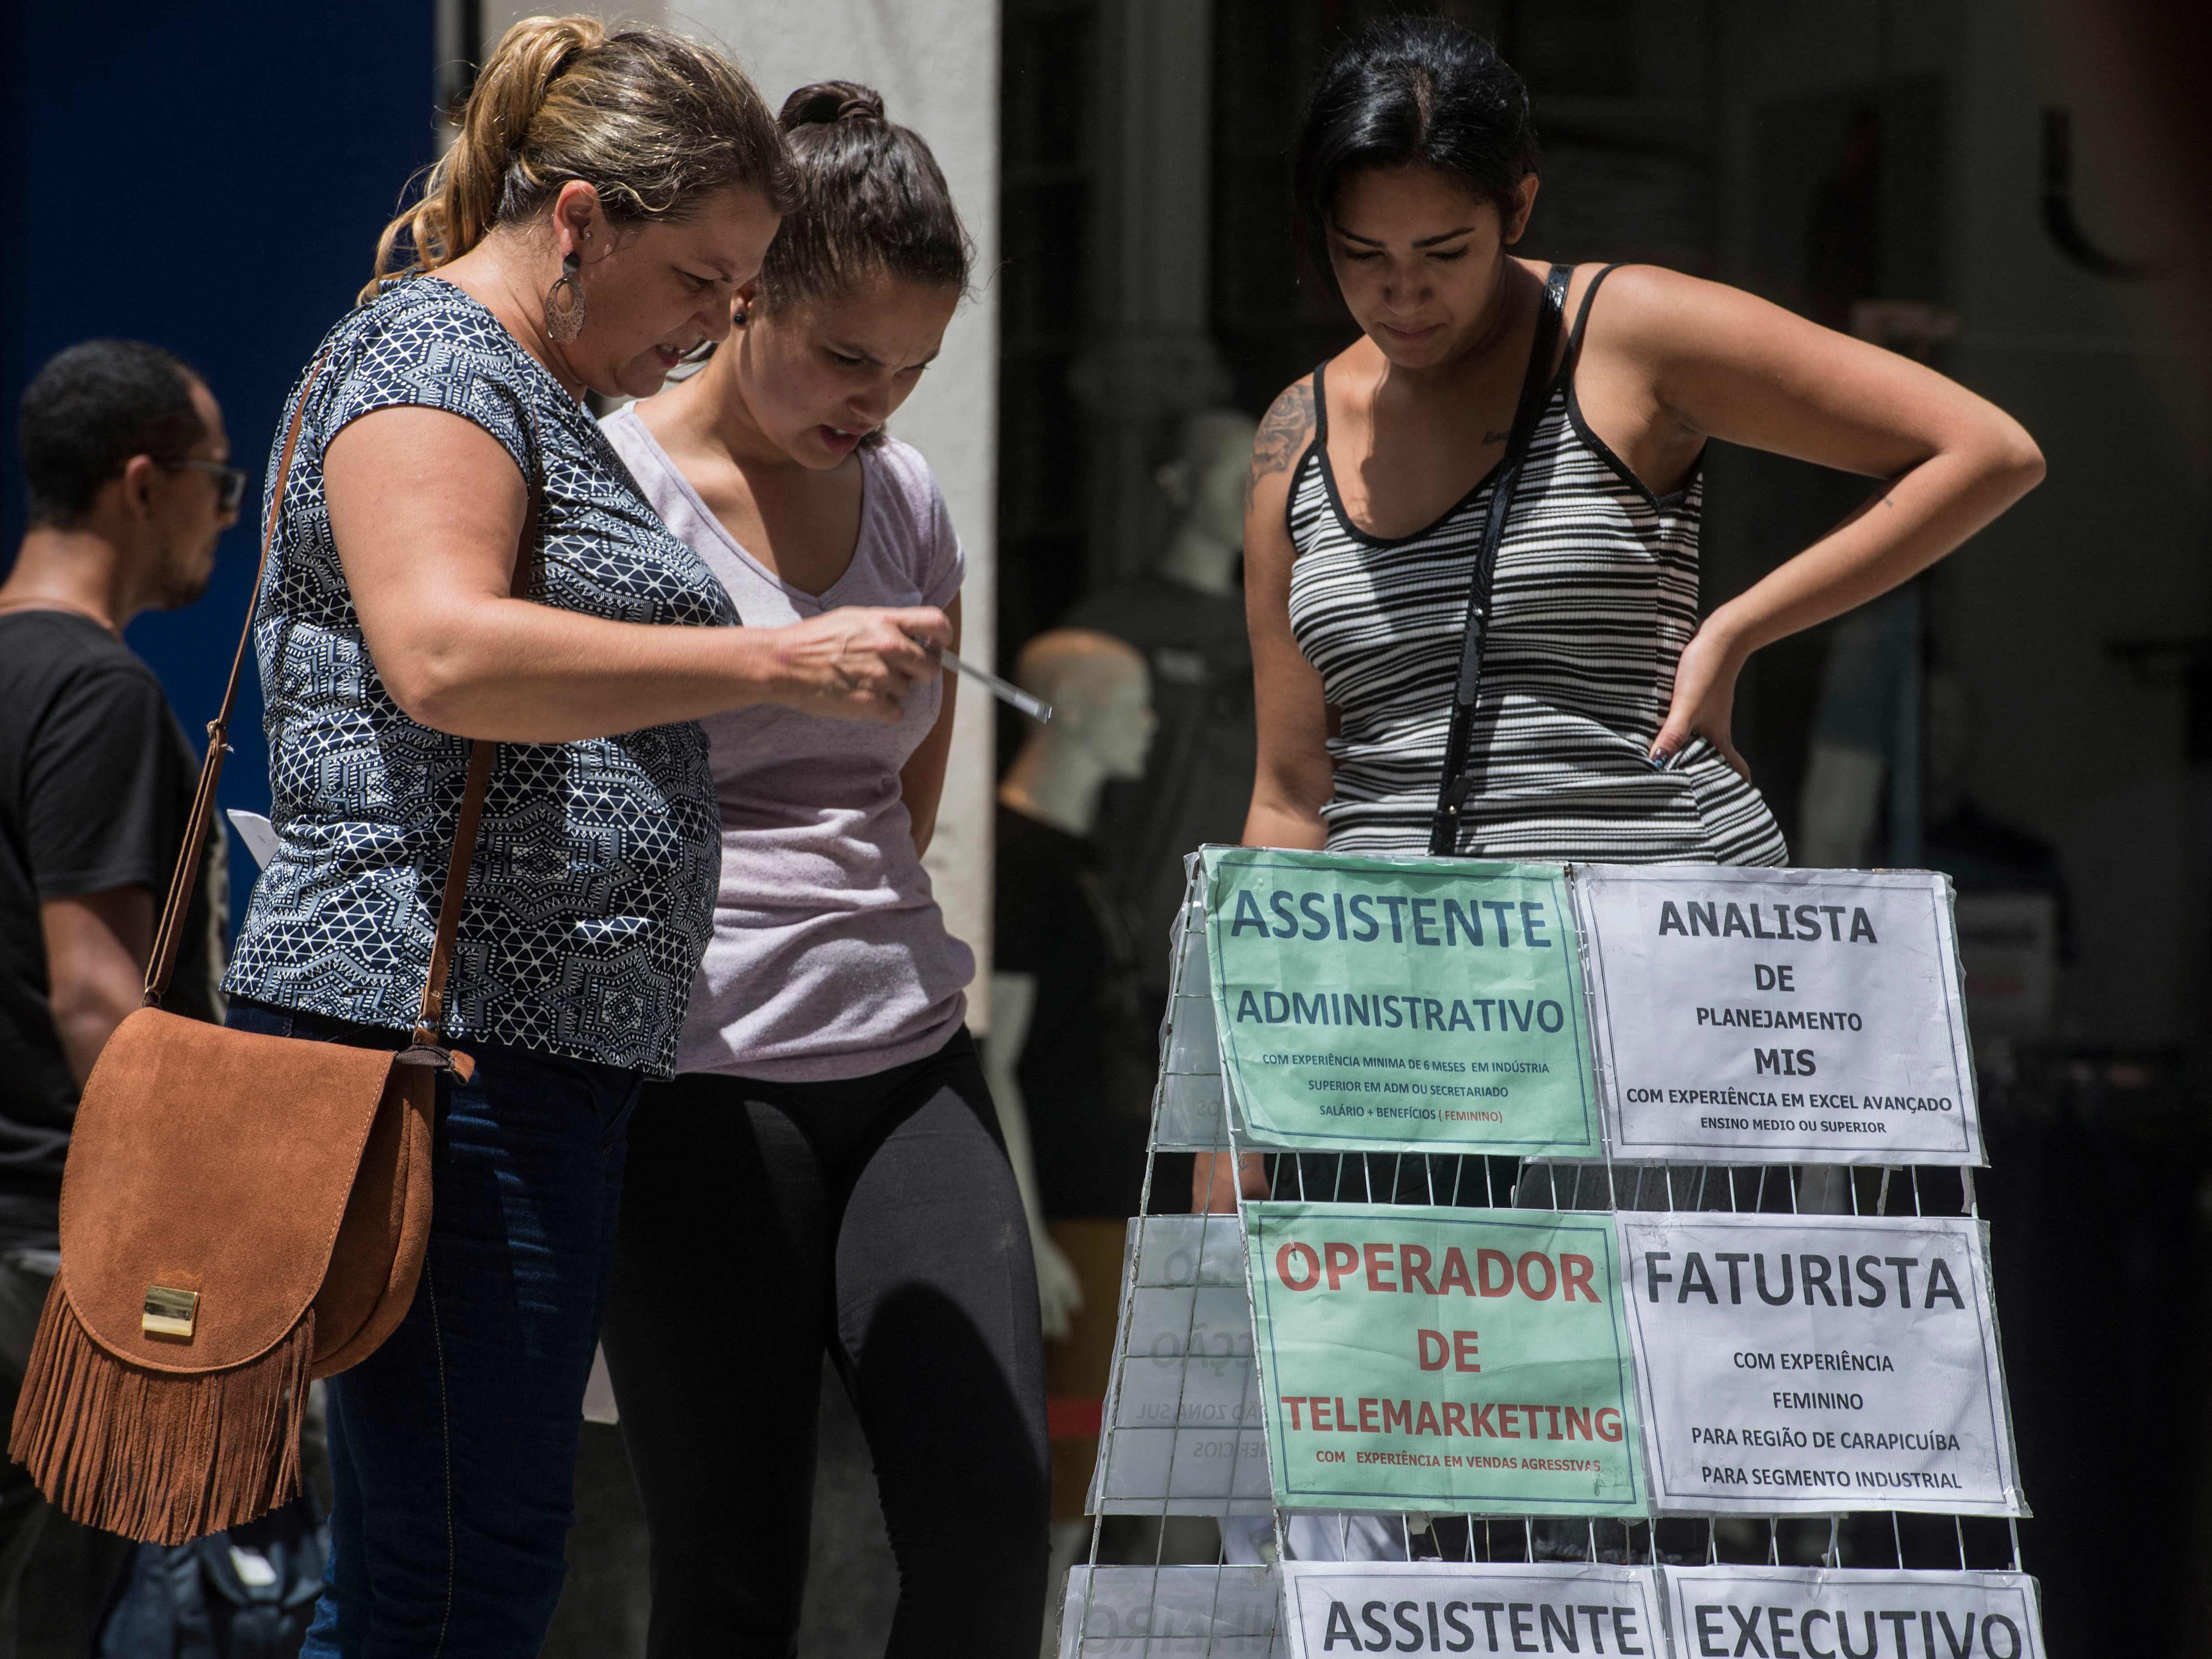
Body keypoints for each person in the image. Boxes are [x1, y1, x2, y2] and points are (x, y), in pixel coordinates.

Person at [217, 22, 952, 1656]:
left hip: (516, 1053)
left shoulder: (524, 383)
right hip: (438, 1050)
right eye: (698, 278)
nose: (712, 324)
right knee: (461, 1572)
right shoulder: (435, 363)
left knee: (453, 1562)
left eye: (739, 290)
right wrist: (777, 663)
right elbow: (444, 651)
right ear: (577, 221)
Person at [594, 84, 1049, 1658]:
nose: (879, 401)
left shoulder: (905, 499)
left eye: (912, 369)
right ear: (743, 297)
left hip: (907, 1057)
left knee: (991, 1535)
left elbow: (904, 798)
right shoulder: (617, 487)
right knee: (732, 1576)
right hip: (696, 1076)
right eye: (848, 356)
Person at [0, 338, 239, 1644]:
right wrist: (203, 1240)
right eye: (220, 480)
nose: (227, 513)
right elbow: (98, 994)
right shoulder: (94, 691)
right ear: (143, 483)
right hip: (53, 1262)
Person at [1066, 407, 1260, 1020]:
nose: (1252, 492)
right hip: (1142, 949)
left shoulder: (1281, 628)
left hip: (1258, 947)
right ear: (1177, 481)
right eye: (1233, 472)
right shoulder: (1109, 630)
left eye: (1265, 473)